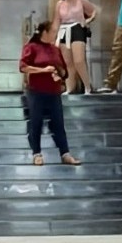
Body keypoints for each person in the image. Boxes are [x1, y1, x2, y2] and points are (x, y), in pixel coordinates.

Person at [20, 21, 82, 166]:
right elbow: (23, 67)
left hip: (53, 92)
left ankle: (65, 153)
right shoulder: (31, 47)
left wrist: (60, 74)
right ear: (45, 33)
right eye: (53, 32)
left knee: (58, 123)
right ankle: (36, 153)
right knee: (36, 123)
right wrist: (42, 70)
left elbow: (64, 69)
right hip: (37, 92)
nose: (55, 35)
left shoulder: (55, 49)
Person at [54, 0, 98, 95]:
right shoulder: (60, 3)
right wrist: (54, 37)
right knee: (68, 62)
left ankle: (87, 86)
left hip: (77, 27)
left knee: (79, 60)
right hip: (64, 29)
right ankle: (70, 87)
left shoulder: (80, 0)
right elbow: (57, 21)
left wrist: (87, 20)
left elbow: (93, 11)